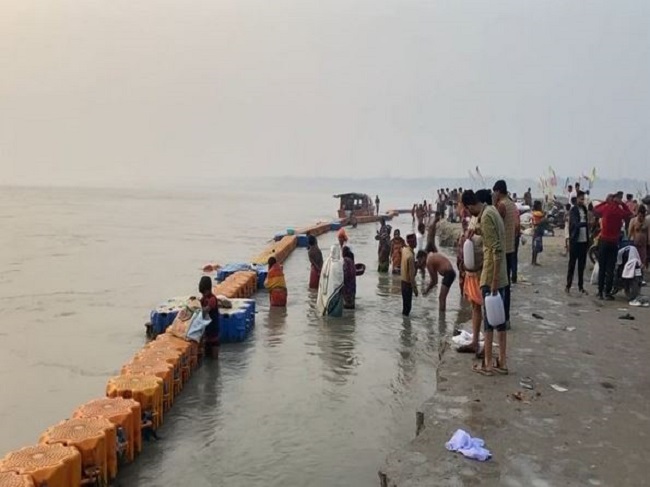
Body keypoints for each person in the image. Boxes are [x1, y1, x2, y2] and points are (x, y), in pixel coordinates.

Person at [462, 190, 509, 376]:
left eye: (468, 209)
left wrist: (493, 281)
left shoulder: (486, 215)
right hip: (501, 274)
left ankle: (488, 364)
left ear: (470, 205)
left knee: (489, 322)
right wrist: (478, 230)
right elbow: (494, 236)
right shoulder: (492, 211)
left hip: (491, 276)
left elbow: (495, 249)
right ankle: (502, 362)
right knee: (501, 320)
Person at [594, 193, 632, 300]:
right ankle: (607, 292)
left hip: (604, 241)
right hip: (614, 243)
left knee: (602, 267)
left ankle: (600, 292)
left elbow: (595, 209)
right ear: (618, 200)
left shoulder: (606, 208)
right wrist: (623, 204)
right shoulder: (620, 211)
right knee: (610, 269)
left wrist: (606, 201)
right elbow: (629, 213)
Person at [493, 180, 518, 327]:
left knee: (501, 285)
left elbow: (495, 221)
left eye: (495, 192)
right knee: (506, 285)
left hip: (502, 250)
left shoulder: (501, 205)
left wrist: (494, 204)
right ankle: (505, 318)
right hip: (510, 248)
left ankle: (501, 318)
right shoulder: (512, 203)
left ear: (498, 191)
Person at [566, 191, 590, 294]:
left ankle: (581, 286)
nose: (582, 201)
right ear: (577, 199)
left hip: (584, 241)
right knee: (572, 264)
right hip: (575, 241)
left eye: (583, 199)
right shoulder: (573, 210)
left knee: (582, 265)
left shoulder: (584, 209)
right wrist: (586, 224)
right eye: (581, 199)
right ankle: (568, 285)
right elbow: (575, 224)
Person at [199, 276, 219, 357]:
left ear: (208, 289)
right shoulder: (203, 299)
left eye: (204, 292)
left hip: (214, 333)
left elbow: (205, 310)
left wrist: (198, 309)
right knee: (206, 358)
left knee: (214, 359)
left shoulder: (212, 299)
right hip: (206, 334)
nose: (203, 294)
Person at [400, 234, 419, 316]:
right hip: (407, 285)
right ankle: (406, 327)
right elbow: (411, 276)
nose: (416, 243)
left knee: (405, 308)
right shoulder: (410, 256)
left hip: (402, 283)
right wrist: (415, 289)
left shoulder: (405, 250)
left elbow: (402, 248)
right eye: (415, 241)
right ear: (412, 242)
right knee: (408, 308)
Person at [628, 205, 648, 271]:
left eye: (643, 215)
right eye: (640, 215)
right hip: (635, 244)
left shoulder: (647, 221)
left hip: (643, 245)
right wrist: (628, 241)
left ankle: (641, 275)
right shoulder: (633, 220)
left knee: (642, 261)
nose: (641, 217)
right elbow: (629, 232)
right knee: (635, 260)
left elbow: (649, 233)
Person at [531, 201, 546, 266]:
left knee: (535, 247)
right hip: (537, 231)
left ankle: (533, 261)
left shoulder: (535, 212)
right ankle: (534, 261)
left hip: (536, 231)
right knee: (536, 247)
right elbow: (542, 218)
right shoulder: (537, 213)